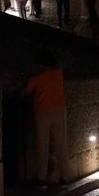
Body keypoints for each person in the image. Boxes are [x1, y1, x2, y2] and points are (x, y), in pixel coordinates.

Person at [22, 50, 68, 187]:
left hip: (43, 113)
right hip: (60, 111)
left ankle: (41, 179)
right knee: (61, 144)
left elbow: (26, 92)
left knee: (43, 145)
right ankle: (64, 177)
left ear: (40, 64)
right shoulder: (59, 73)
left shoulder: (36, 78)